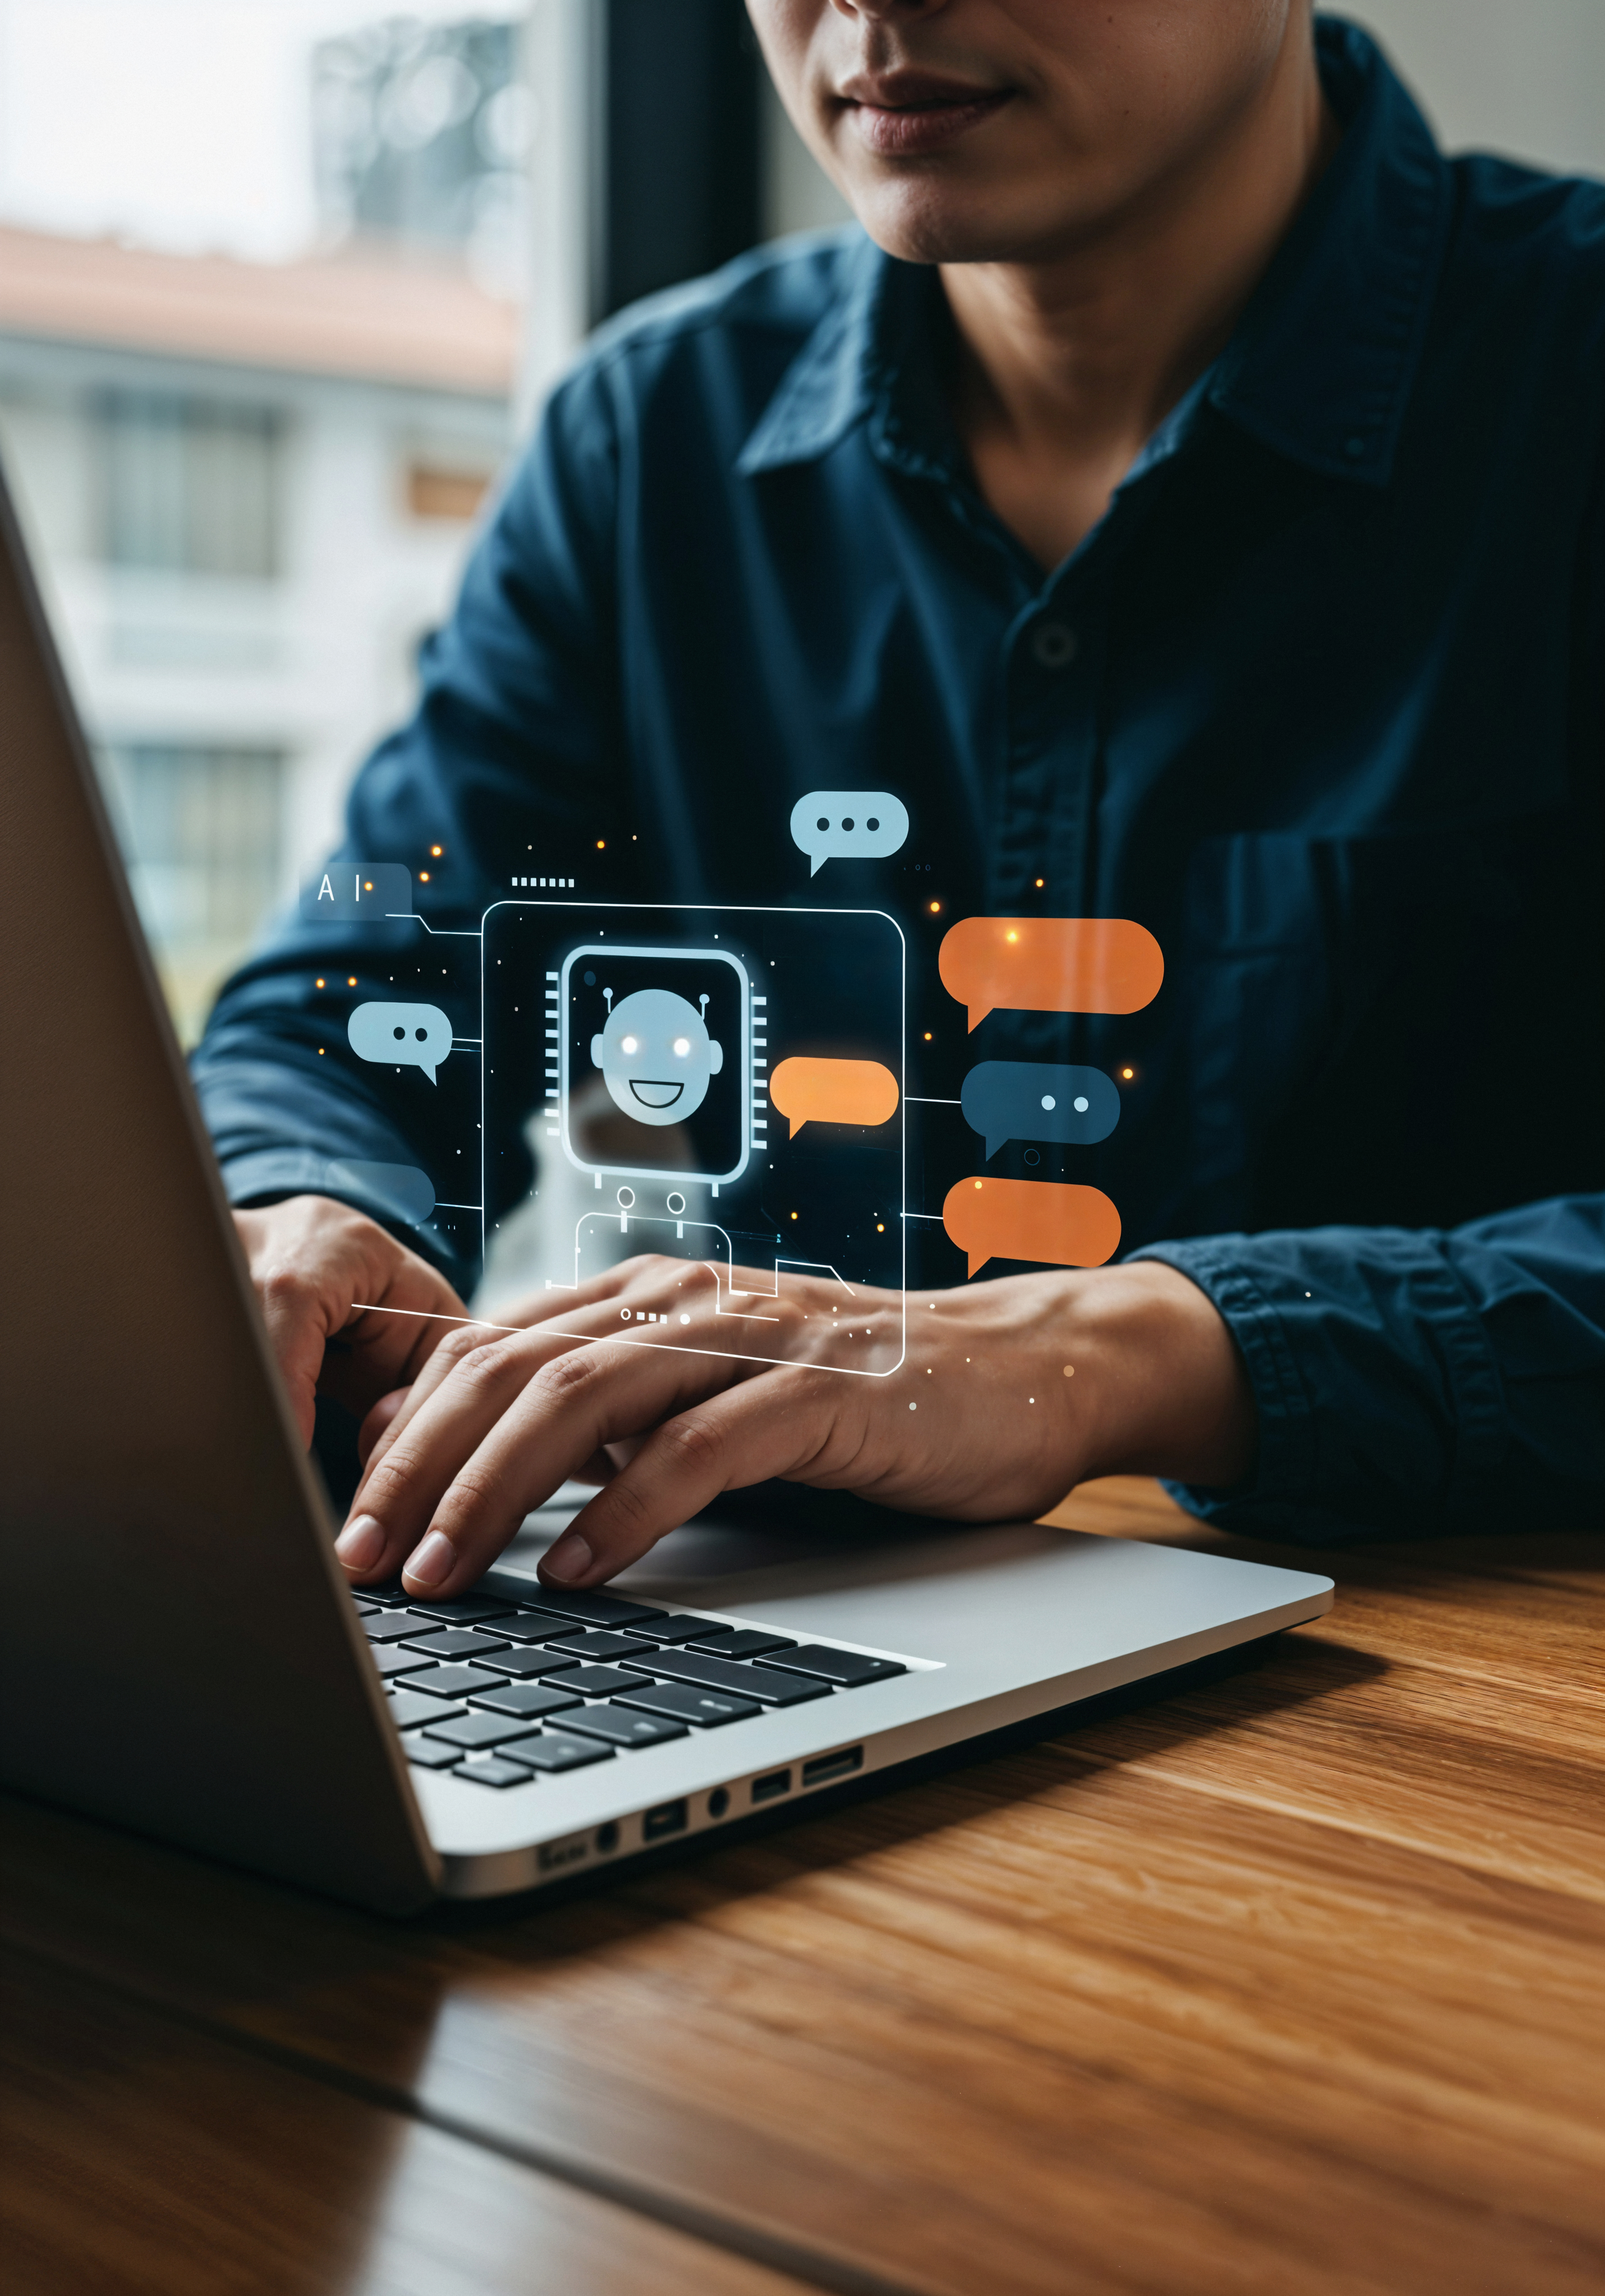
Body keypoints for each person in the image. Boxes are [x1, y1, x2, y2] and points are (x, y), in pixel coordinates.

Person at [199, 2, 1604, 1605]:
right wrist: (299, 1215)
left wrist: (1109, 1354)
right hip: (782, 1627)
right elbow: (353, 1018)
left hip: (1471, 1716)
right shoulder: (653, 441)